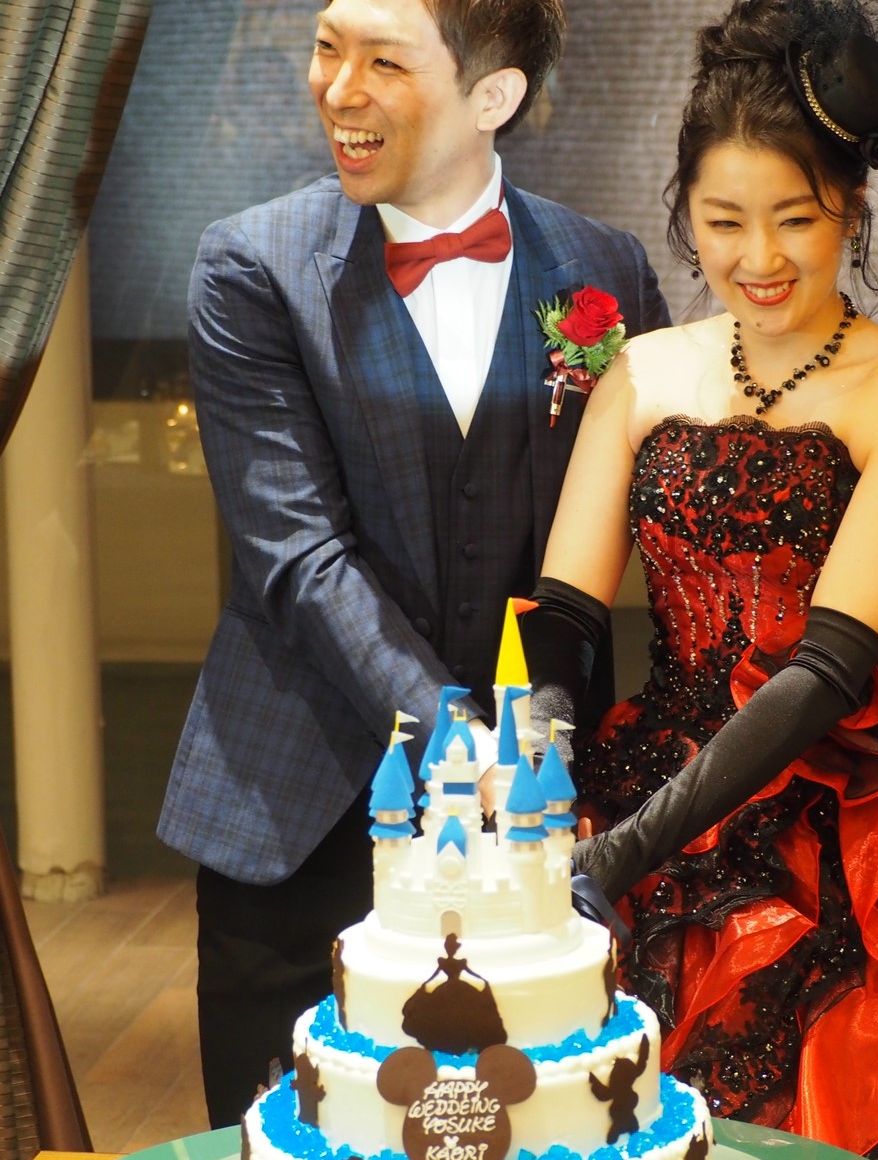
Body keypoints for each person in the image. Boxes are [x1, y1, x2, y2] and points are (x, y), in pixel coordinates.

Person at [524, 1, 878, 1156]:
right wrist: (537, 766)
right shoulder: (638, 373)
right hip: (633, 779)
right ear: (684, 213)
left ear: (852, 203)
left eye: (794, 217)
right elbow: (563, 615)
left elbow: (825, 669)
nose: (759, 258)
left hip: (826, 820)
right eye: (723, 220)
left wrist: (613, 857)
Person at [154, 0, 672, 1127]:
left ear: (495, 95)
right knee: (294, 1133)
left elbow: (684, 527)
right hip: (299, 810)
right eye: (327, 47)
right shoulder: (251, 266)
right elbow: (297, 555)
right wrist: (461, 741)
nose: (336, 88)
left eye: (383, 60)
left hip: (540, 818)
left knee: (545, 1125)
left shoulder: (606, 272)